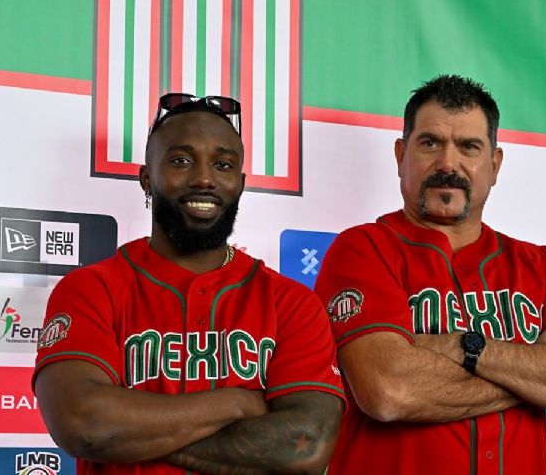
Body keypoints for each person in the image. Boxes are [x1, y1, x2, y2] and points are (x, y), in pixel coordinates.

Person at [314, 75, 546, 474]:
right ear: (400, 156)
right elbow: (388, 390)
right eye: (430, 143)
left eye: (468, 147)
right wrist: (539, 373)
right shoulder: (363, 250)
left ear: (494, 165)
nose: (448, 164)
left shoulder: (540, 267)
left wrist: (465, 346)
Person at [34, 93, 345, 475]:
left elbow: (306, 447)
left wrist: (136, 437)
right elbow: (86, 426)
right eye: (181, 160)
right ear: (147, 179)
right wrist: (237, 404)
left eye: (223, 164)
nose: (203, 178)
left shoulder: (291, 302)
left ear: (240, 183)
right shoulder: (90, 289)